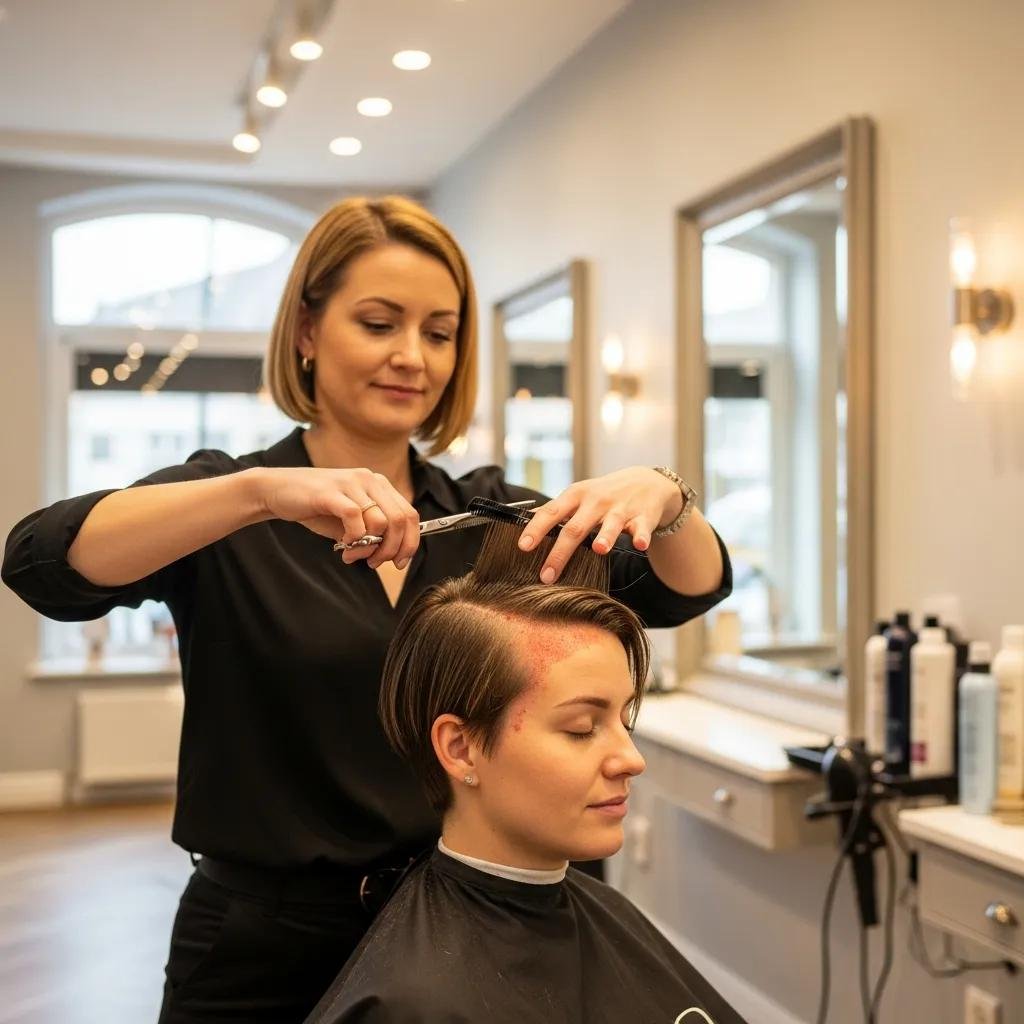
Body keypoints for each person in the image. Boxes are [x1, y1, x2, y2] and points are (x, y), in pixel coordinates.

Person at [1, 195, 733, 1023]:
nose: (411, 357)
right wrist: (256, 495)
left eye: (439, 332)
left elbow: (686, 588)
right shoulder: (235, 508)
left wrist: (668, 498)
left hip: (475, 933)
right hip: (265, 952)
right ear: (307, 331)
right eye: (379, 323)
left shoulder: (495, 519)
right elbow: (40, 563)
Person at [306, 523, 746, 1024]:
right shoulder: (413, 1001)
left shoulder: (605, 914)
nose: (631, 760)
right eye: (581, 729)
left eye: (624, 721)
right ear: (461, 749)